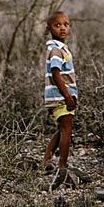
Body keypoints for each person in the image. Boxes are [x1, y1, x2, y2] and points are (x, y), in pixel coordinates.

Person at [43, 11, 80, 189]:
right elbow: (56, 74)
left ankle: (47, 159)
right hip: (60, 97)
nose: (63, 28)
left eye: (66, 24)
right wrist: (67, 96)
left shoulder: (60, 47)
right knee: (66, 130)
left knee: (61, 129)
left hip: (62, 97)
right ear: (49, 29)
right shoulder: (56, 49)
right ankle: (62, 166)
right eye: (57, 25)